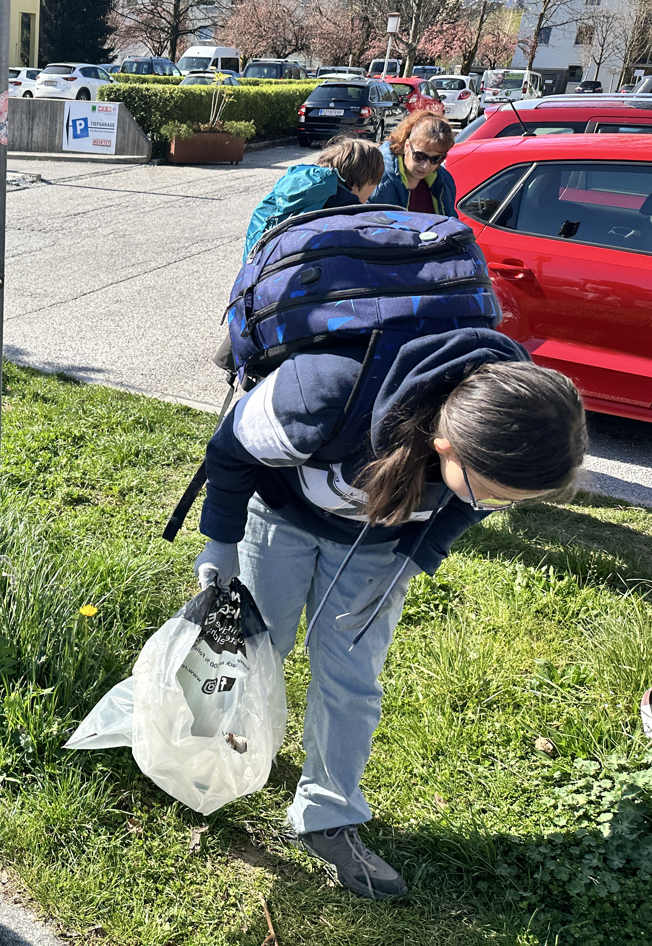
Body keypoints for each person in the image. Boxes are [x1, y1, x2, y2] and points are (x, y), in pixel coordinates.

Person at [192, 329, 587, 899]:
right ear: (446, 445)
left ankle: (326, 817)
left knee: (350, 676)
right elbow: (232, 449)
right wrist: (221, 539)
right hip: (279, 516)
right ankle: (217, 756)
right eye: (494, 493)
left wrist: (410, 562)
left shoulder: (512, 423)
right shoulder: (325, 392)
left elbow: (463, 504)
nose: (493, 508)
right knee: (254, 646)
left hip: (379, 545)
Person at [243, 138, 386, 260]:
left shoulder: (294, 187)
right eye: (374, 184)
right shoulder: (345, 207)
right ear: (365, 180)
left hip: (255, 280)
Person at [368, 111, 457, 214]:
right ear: (406, 146)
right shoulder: (379, 179)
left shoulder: (444, 183)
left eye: (436, 159)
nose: (425, 166)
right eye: (420, 156)